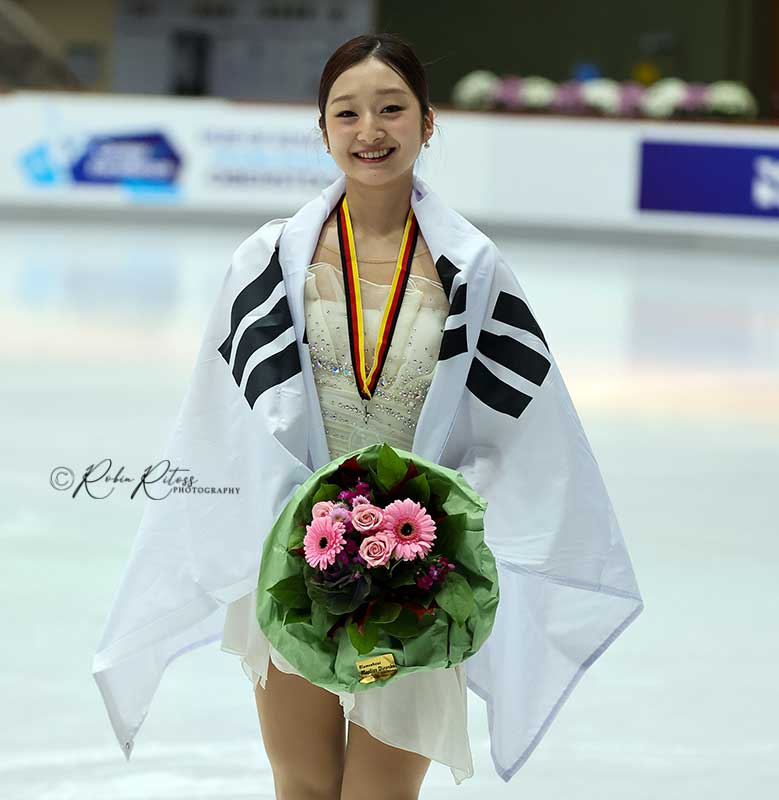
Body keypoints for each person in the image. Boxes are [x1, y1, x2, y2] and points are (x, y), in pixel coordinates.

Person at [93, 32, 644, 800]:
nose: (369, 130)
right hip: (294, 564)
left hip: (415, 576)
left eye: (391, 108)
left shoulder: (472, 272)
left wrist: (439, 536)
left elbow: (522, 432)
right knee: (303, 783)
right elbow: (222, 420)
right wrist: (280, 526)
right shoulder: (267, 263)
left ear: (427, 122)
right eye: (346, 113)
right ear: (322, 129)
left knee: (379, 794)